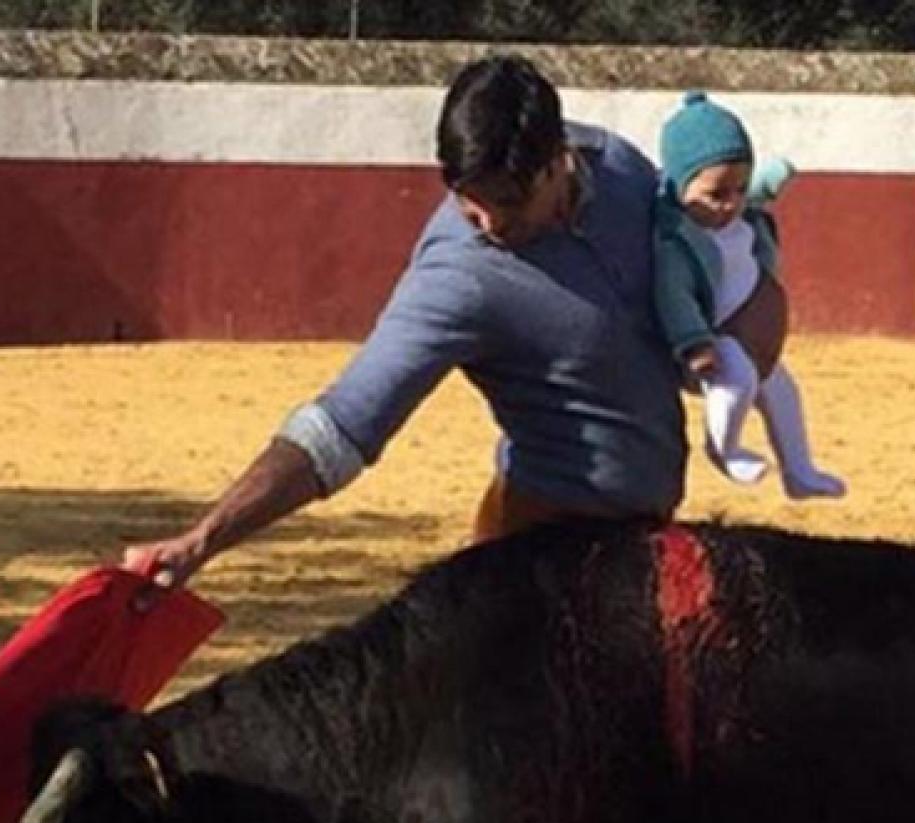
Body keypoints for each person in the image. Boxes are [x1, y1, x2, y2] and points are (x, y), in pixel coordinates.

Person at [124, 57, 789, 594]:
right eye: (466, 200)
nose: (487, 223)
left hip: (644, 542)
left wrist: (757, 303)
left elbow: (693, 276)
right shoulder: (458, 276)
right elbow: (344, 424)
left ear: (559, 159)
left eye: (505, 201)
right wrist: (203, 539)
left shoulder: (618, 167)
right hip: (536, 560)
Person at [654, 92, 846, 500]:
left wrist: (777, 174)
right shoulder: (676, 241)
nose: (731, 205)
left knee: (781, 388)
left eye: (740, 190)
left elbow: (754, 186)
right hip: (712, 344)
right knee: (738, 376)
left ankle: (799, 471)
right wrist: (694, 343)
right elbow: (674, 297)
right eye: (717, 194)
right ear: (678, 186)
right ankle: (725, 449)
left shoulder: (738, 211)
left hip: (751, 340)